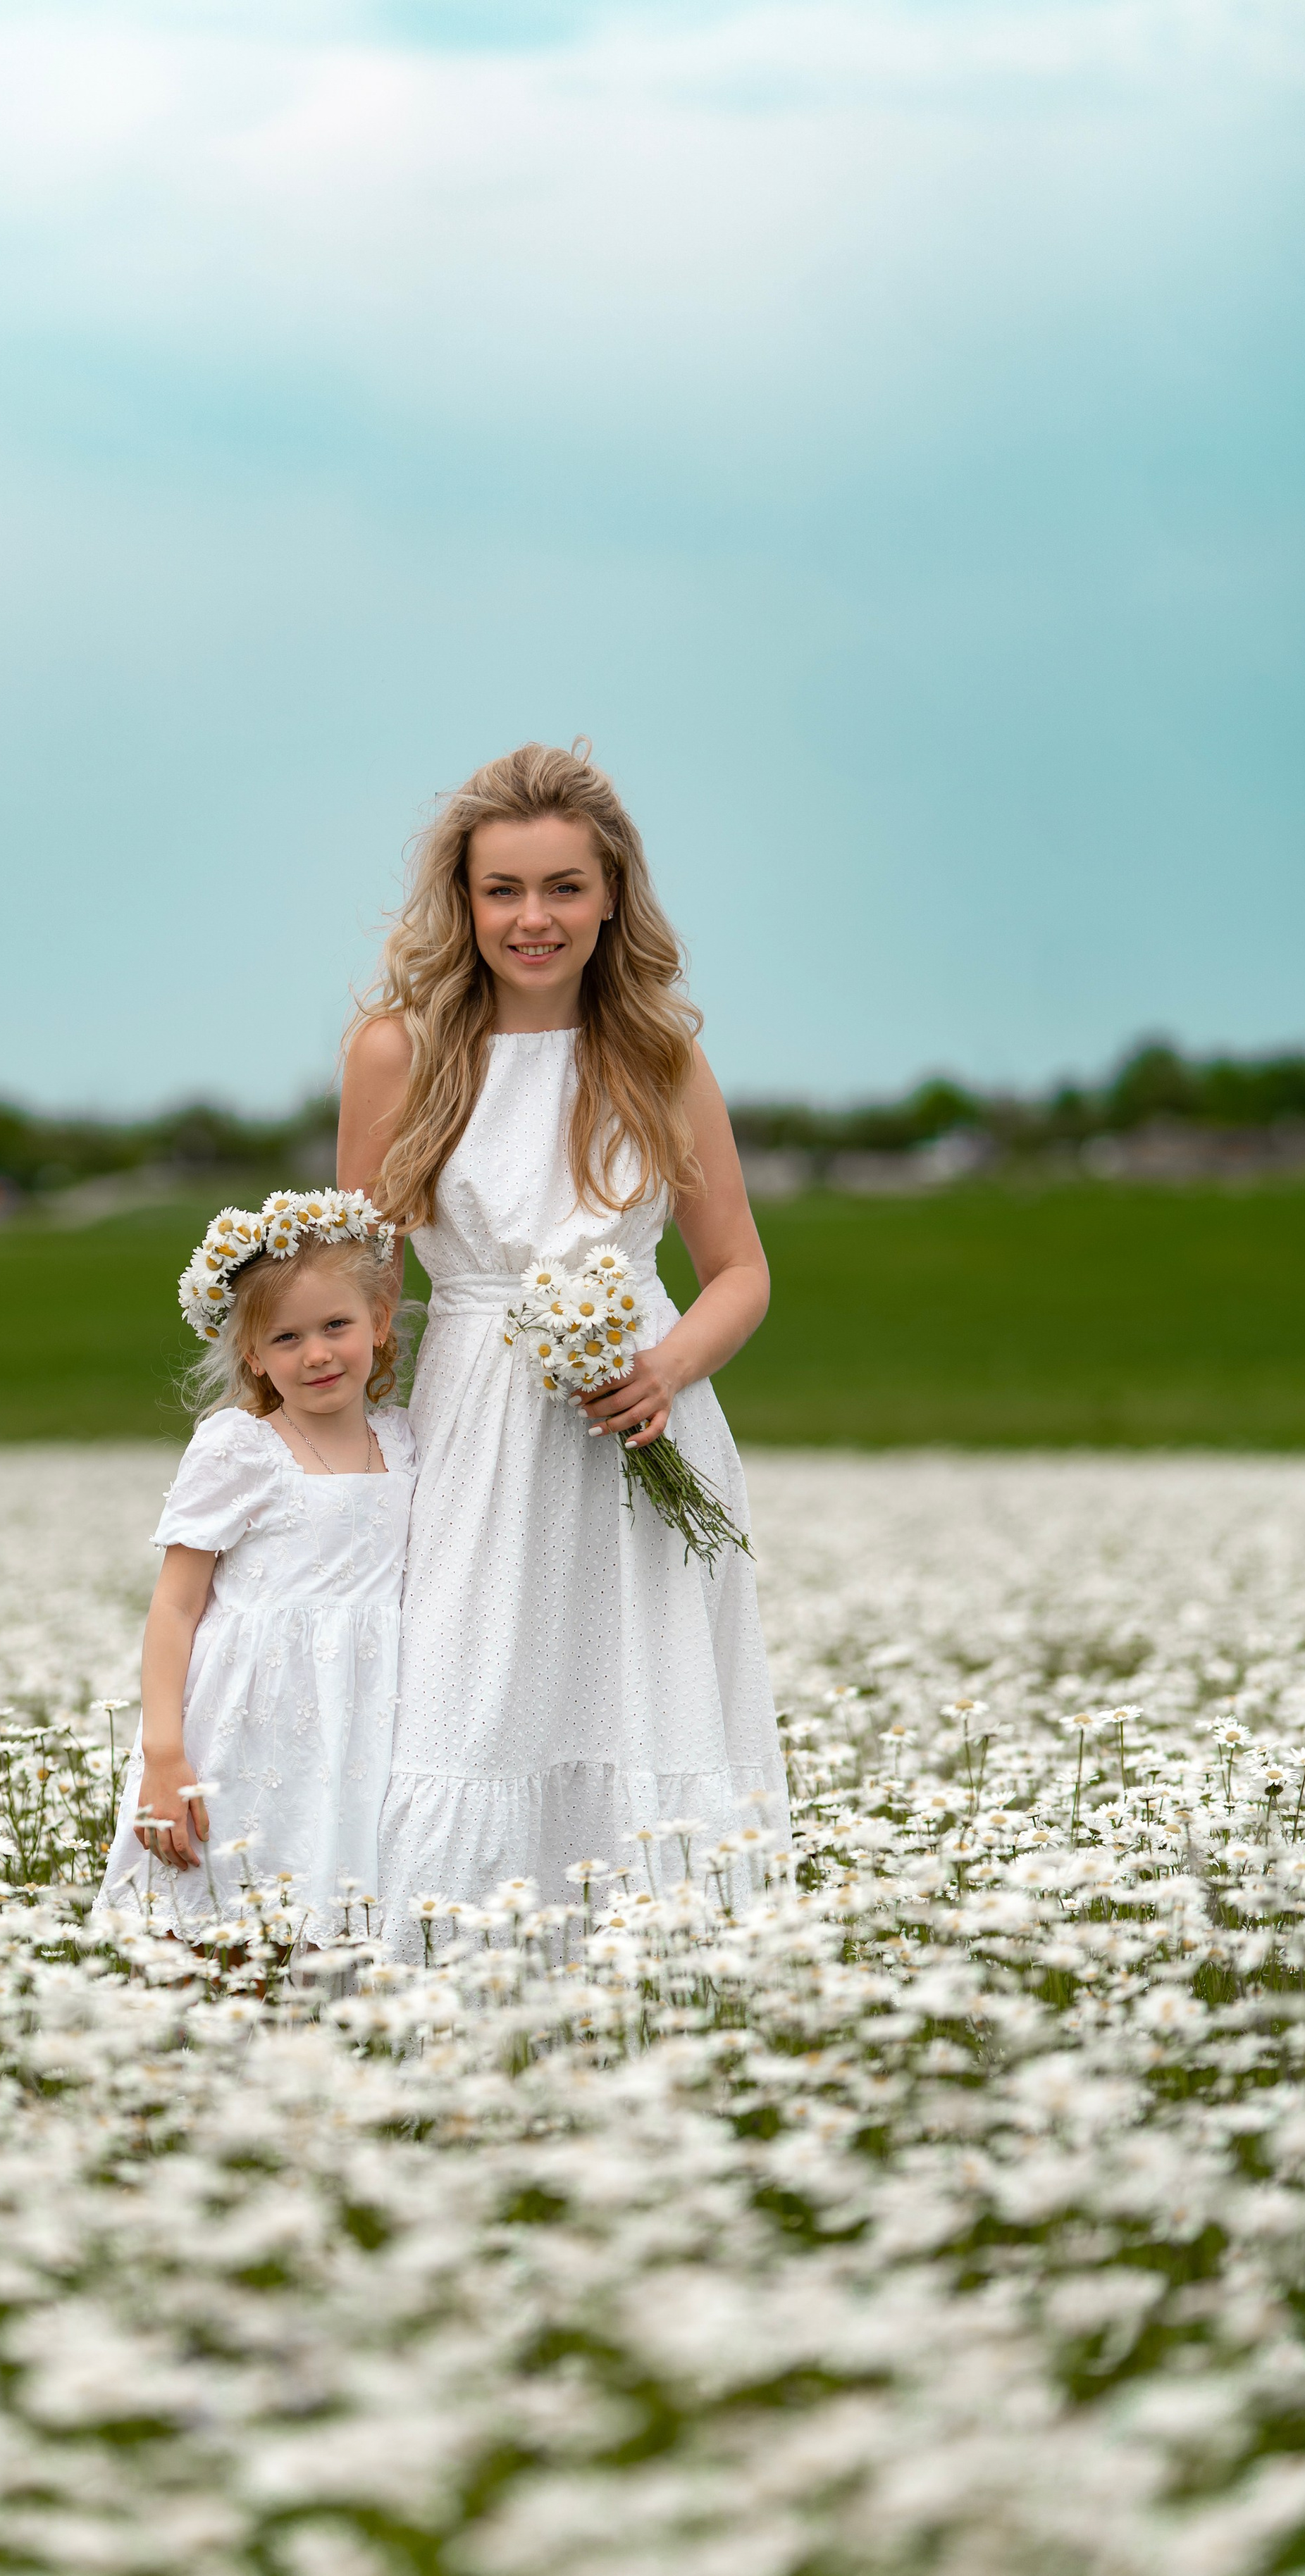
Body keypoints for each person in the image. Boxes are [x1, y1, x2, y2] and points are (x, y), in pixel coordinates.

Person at [338, 742, 788, 1941]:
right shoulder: (399, 1051)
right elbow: (360, 1287)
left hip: (642, 1425)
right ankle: (440, 1974)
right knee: (462, 1697)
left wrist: (668, 1368)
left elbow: (740, 1272)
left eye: (563, 888)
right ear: (465, 900)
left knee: (645, 1702)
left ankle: (667, 1984)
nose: (533, 919)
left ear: (611, 897)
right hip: (473, 1426)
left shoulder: (660, 1057)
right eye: (504, 890)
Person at [96, 1190, 416, 1939]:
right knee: (222, 1917)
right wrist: (164, 1755)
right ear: (253, 1355)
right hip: (246, 1720)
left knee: (329, 1919)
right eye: (286, 1338)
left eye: (336, 1325)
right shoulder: (239, 1447)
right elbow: (175, 1607)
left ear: (377, 1320)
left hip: (363, 1713)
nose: (316, 1353)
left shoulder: (402, 1439)